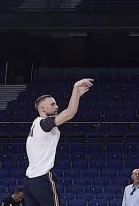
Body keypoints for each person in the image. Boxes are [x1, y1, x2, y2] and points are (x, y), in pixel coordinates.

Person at [24, 78, 94, 206]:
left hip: (29, 181)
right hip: (42, 177)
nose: (56, 107)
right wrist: (75, 90)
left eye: (56, 104)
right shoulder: (44, 124)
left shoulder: (35, 123)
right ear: (42, 108)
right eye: (52, 104)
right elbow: (70, 112)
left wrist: (77, 94)